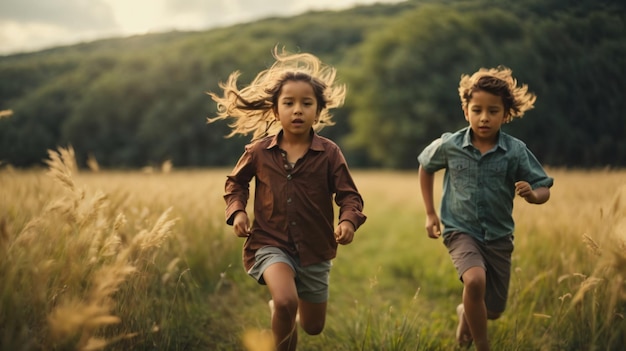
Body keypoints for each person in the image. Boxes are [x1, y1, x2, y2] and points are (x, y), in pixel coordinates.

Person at [208, 47, 366, 351]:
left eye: (306, 104)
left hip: (315, 249)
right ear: (275, 110)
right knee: (285, 300)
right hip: (270, 242)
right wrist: (237, 211)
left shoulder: (329, 153)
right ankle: (281, 311)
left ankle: (283, 314)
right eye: (289, 103)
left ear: (318, 111)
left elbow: (349, 195)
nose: (297, 110)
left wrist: (348, 221)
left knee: (313, 326)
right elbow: (236, 183)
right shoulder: (258, 152)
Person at [417, 66, 553, 351]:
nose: (484, 117)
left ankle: (465, 313)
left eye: (493, 111)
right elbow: (425, 167)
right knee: (475, 280)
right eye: (477, 109)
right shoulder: (450, 145)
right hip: (460, 231)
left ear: (506, 114)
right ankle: (482, 345)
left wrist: (532, 195)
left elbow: (543, 187)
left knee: (493, 310)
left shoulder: (515, 151)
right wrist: (430, 213)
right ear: (466, 110)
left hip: (499, 236)